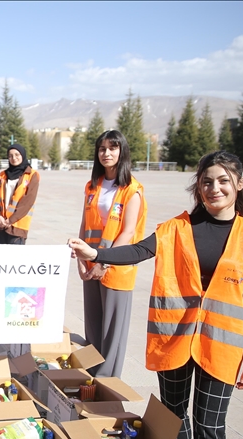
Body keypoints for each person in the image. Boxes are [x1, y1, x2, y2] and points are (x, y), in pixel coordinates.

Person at [67, 151, 243, 439]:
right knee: (173, 413)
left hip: (221, 347)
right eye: (207, 182)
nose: (214, 189)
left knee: (210, 427)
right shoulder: (177, 228)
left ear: (239, 183)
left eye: (223, 181)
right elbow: (139, 250)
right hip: (174, 337)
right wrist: (96, 253)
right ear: (198, 187)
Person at [77, 130, 147, 378]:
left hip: (116, 267)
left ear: (122, 151)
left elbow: (128, 232)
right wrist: (82, 260)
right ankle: (89, 377)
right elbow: (85, 224)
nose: (106, 153)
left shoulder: (132, 189)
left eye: (112, 148)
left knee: (111, 331)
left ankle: (106, 382)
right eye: (102, 148)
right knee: (94, 326)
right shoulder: (92, 186)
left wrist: (103, 263)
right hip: (90, 263)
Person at [0, 143, 39, 244]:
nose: (14, 158)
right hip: (1, 224)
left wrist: (11, 220)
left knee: (15, 254)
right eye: (10, 155)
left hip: (17, 226)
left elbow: (28, 201)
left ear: (23, 155)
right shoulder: (2, 175)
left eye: (17, 155)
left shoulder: (32, 175)